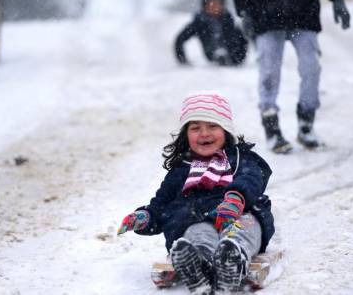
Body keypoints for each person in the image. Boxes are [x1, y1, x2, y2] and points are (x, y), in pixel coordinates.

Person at [117, 92, 275, 294]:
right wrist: (144, 217)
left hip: (239, 213)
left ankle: (232, 261)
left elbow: (252, 178)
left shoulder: (239, 158)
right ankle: (197, 267)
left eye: (212, 126)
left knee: (243, 230)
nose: (204, 133)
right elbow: (161, 204)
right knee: (197, 236)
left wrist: (236, 197)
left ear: (226, 130)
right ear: (186, 134)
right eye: (195, 128)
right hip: (196, 219)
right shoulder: (182, 169)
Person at [232, 0, 351, 154]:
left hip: (304, 8)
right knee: (269, 71)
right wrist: (244, 10)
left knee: (311, 67)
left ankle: (306, 123)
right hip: (265, 11)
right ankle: (271, 127)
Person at [174, 0, 248, 67]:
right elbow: (180, 39)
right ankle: (219, 54)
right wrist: (183, 61)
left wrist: (238, 59)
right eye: (211, 3)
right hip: (211, 56)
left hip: (232, 58)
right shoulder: (199, 22)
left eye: (218, 3)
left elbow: (243, 40)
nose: (215, 6)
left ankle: (223, 55)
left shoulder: (228, 20)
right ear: (205, 5)